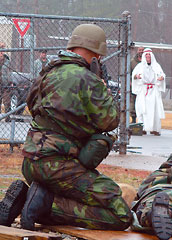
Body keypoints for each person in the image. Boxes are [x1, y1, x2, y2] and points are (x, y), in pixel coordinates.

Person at [0, 24, 133, 231]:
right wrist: (103, 88)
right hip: (59, 168)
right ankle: (41, 204)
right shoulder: (89, 80)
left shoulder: (47, 72)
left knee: (68, 191)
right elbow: (111, 121)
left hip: (30, 164)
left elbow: (32, 105)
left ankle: (34, 198)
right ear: (96, 56)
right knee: (121, 213)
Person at [132, 48, 165, 136]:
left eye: (149, 55)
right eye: (146, 55)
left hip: (154, 90)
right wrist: (137, 76)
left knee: (155, 109)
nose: (147, 57)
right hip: (143, 90)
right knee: (142, 109)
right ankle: (142, 127)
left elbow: (162, 75)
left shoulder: (157, 66)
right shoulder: (140, 66)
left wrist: (161, 78)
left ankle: (155, 129)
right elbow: (134, 76)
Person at [130, 46, 144, 123]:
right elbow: (129, 73)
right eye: (140, 50)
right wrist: (131, 83)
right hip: (135, 86)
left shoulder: (147, 62)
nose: (141, 51)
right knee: (134, 102)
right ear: (137, 51)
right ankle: (133, 118)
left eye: (142, 50)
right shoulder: (132, 62)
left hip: (144, 87)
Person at [0, 42, 11, 114]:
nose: (1, 52)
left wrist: (10, 81)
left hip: (5, 83)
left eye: (2, 49)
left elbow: (9, 73)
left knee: (7, 101)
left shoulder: (7, 61)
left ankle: (8, 116)